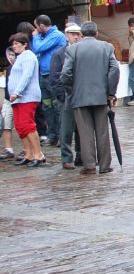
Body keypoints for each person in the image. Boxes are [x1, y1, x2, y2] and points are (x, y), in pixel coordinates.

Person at [61, 22, 120, 175]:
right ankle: (105, 165)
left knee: (85, 132)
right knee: (102, 131)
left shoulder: (72, 49)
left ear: (81, 34)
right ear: (97, 33)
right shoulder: (107, 47)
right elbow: (114, 69)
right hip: (101, 95)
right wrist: (110, 92)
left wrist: (72, 90)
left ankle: (90, 165)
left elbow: (65, 74)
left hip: (79, 96)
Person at [50, 24, 83, 169]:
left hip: (81, 94)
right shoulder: (59, 53)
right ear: (66, 35)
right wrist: (61, 95)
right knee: (66, 129)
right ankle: (67, 157)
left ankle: (82, 155)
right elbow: (55, 76)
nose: (76, 37)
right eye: (73, 34)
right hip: (66, 95)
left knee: (82, 128)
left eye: (78, 34)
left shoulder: (83, 51)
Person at [8, 33, 44, 166]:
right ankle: (29, 153)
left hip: (26, 97)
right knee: (20, 126)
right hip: (17, 99)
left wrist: (17, 92)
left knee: (28, 125)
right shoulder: (20, 57)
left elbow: (27, 76)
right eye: (13, 44)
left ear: (25, 44)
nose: (14, 46)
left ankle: (38, 154)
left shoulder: (28, 56)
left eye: (17, 43)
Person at [32, 15, 66, 145]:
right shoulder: (43, 37)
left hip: (54, 77)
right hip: (43, 76)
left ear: (41, 26)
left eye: (36, 27)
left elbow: (38, 48)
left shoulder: (56, 35)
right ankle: (52, 135)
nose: (35, 30)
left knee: (57, 107)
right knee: (47, 107)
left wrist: (35, 37)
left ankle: (61, 136)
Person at [0, 47, 16, 160]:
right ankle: (8, 149)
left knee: (22, 126)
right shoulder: (7, 69)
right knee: (6, 123)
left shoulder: (21, 67)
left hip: (19, 99)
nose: (11, 57)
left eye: (13, 55)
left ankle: (27, 149)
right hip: (7, 99)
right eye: (9, 54)